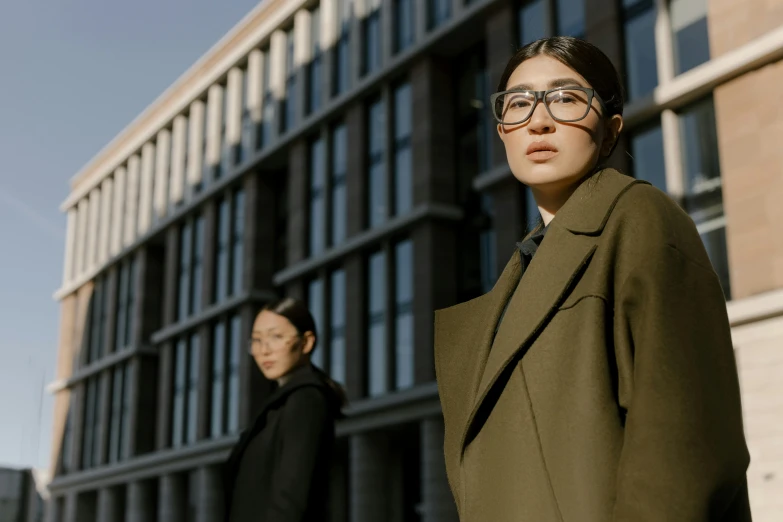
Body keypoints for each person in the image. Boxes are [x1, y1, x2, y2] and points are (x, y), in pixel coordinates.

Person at [434, 36, 751, 522]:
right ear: (502, 131)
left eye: (565, 98)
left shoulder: (639, 219)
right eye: (518, 103)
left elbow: (686, 447)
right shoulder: (525, 266)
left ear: (610, 130)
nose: (538, 120)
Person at [223, 297, 346, 522]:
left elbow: (291, 499)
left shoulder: (306, 400)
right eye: (257, 340)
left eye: (276, 337)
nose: (264, 350)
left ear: (306, 342)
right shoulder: (282, 404)